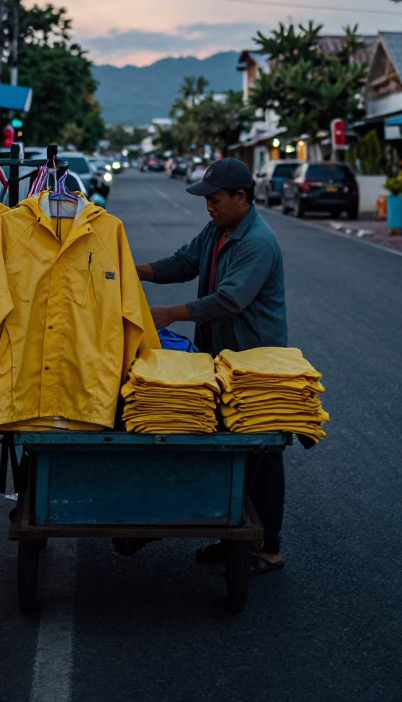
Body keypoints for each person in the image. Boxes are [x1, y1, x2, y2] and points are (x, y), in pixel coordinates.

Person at [136, 157, 288, 576]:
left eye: (216, 200)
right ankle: (233, 537)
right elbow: (184, 263)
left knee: (260, 453)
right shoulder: (219, 231)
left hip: (254, 362)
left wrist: (170, 313)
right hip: (222, 357)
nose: (209, 207)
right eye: (207, 201)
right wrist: (131, 272)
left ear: (241, 197)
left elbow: (230, 300)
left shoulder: (256, 241)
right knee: (227, 448)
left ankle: (268, 549)